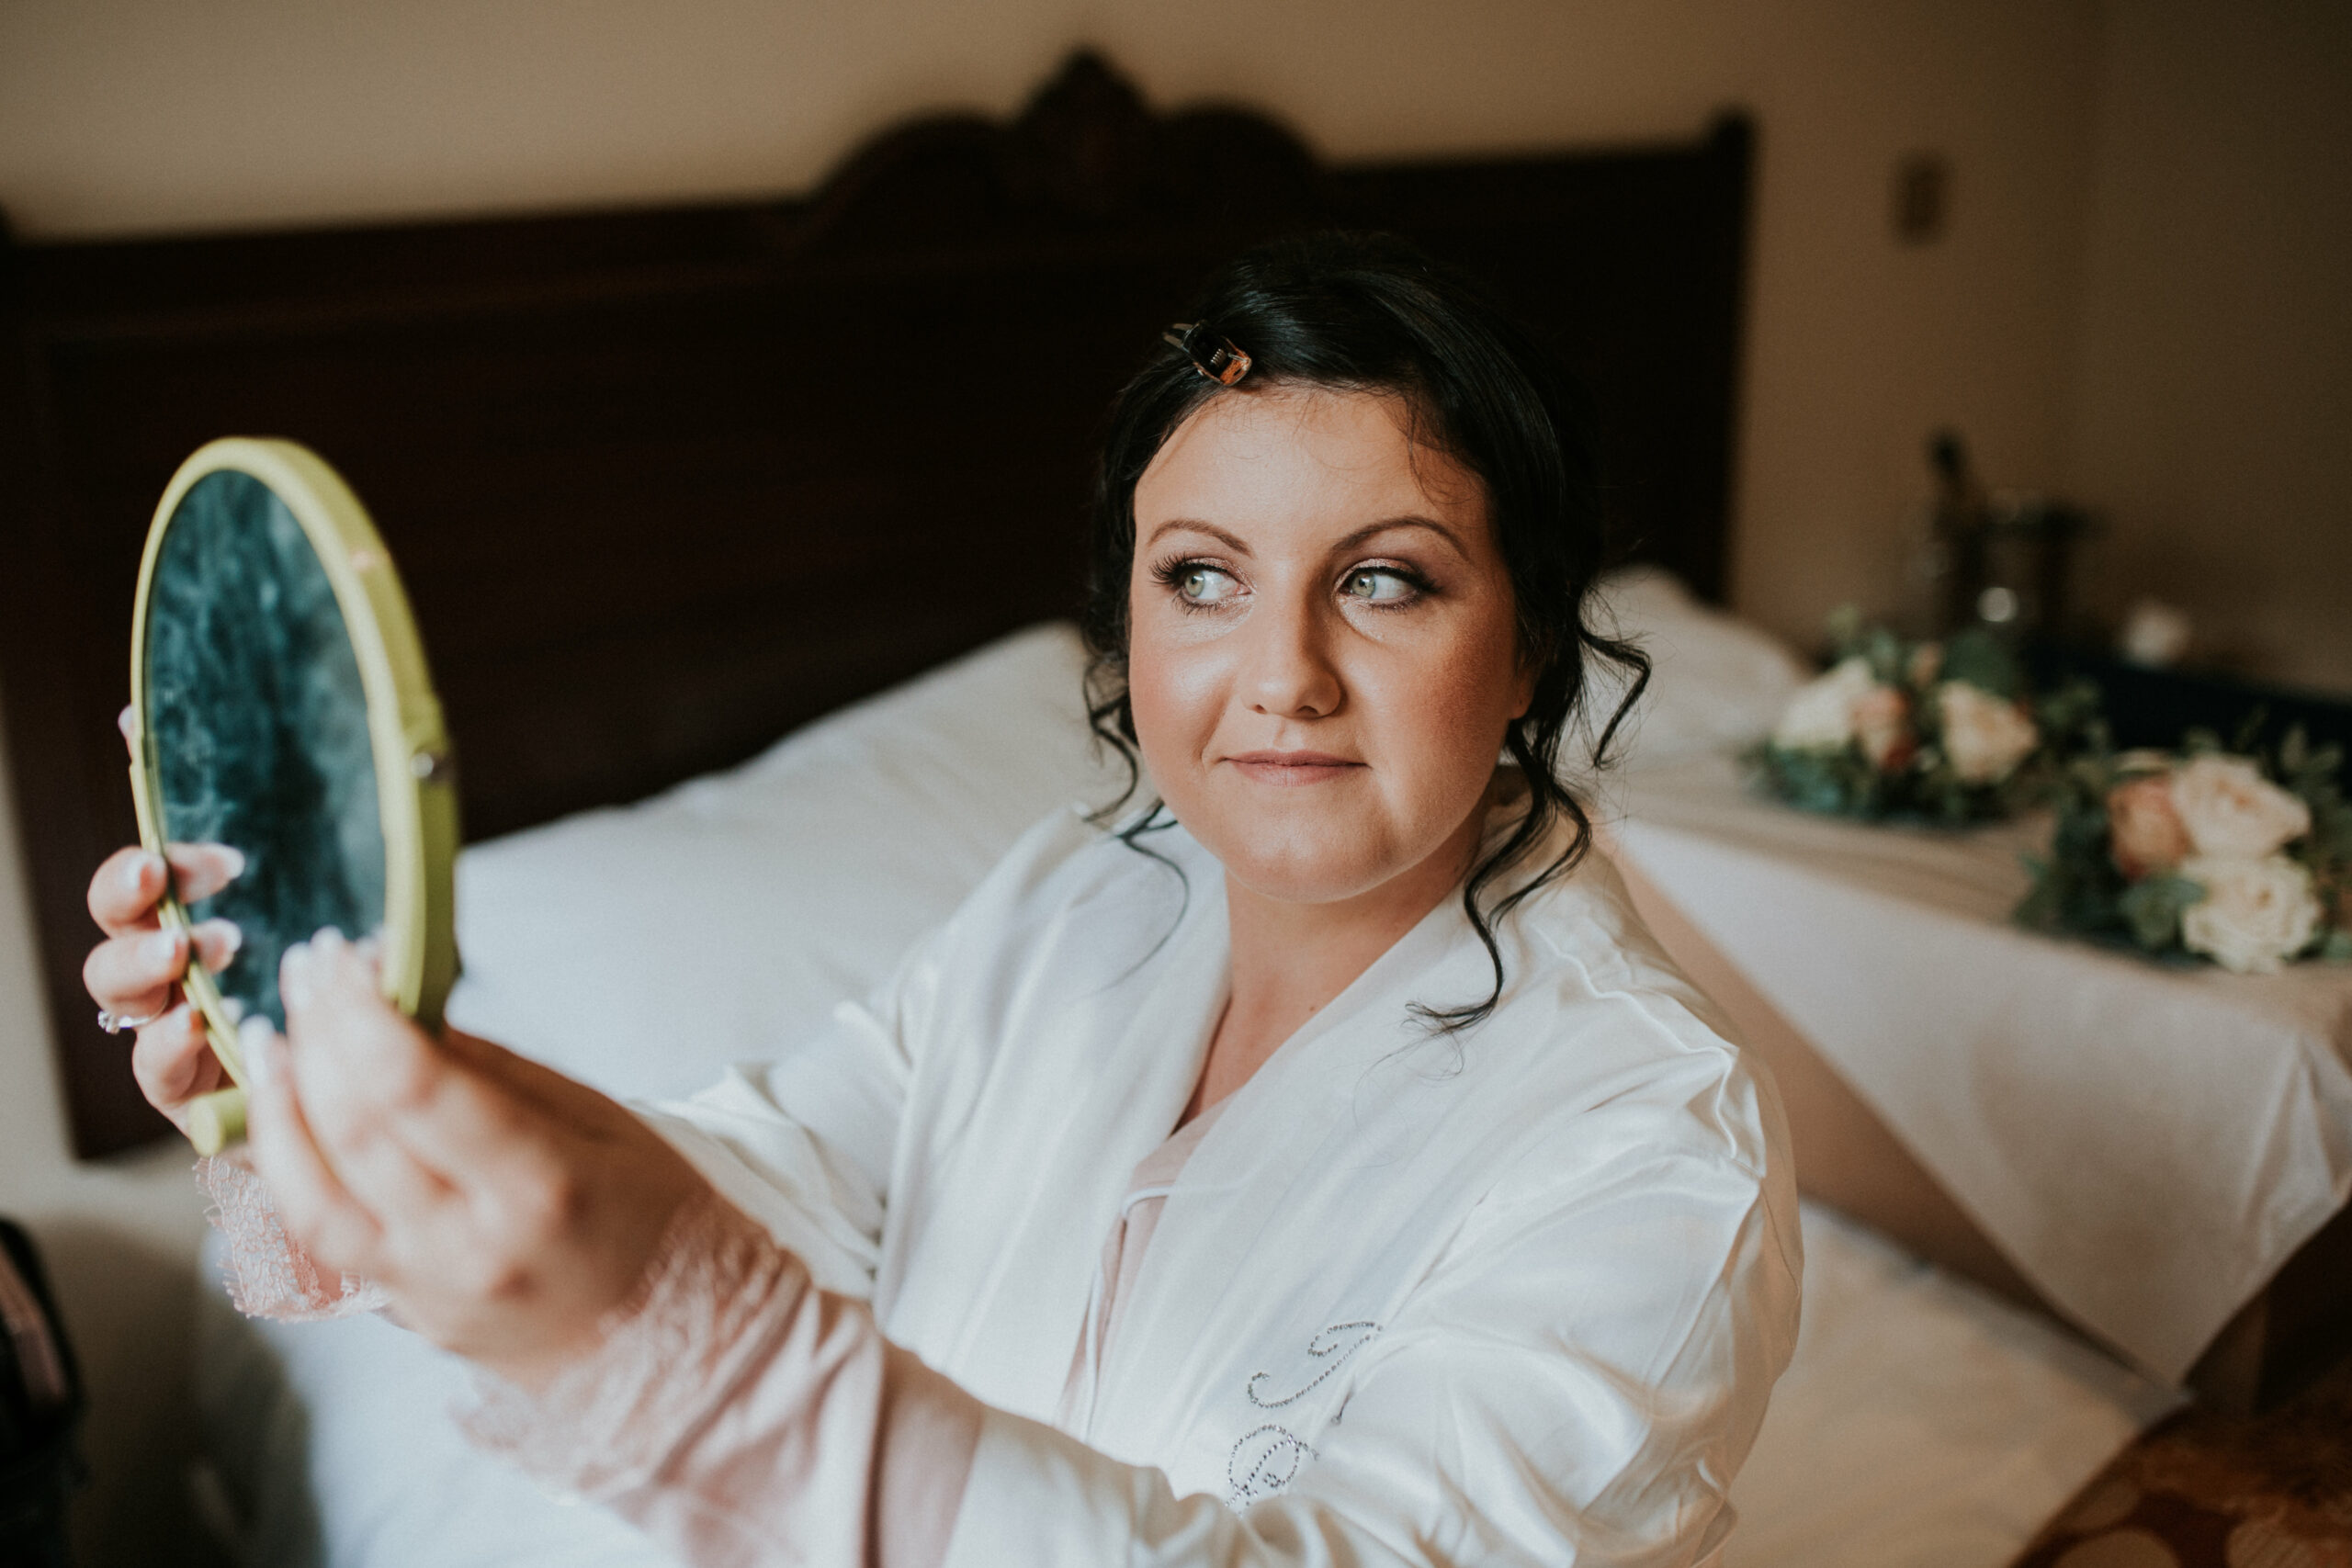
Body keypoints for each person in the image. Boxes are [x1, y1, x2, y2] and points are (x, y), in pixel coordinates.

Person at [83, 232, 1800, 1566]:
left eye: (1385, 583)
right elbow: (778, 1176)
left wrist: (706, 1366)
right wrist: (357, 1098)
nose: (1279, 674)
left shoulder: (1649, 1148)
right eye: (1203, 577)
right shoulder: (1081, 898)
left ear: (1533, 654)